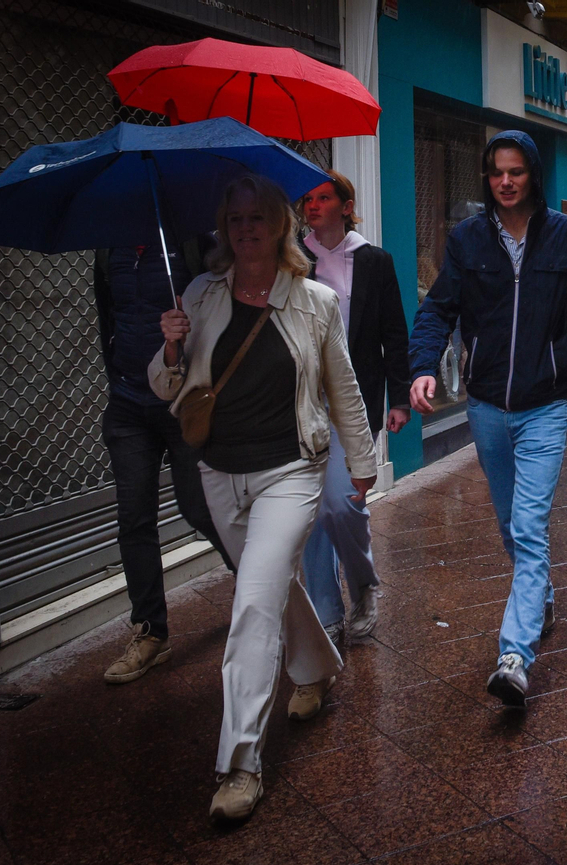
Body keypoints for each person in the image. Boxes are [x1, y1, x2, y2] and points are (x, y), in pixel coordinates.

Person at [151, 174, 376, 823]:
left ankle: (239, 763)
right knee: (272, 586)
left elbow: (343, 387)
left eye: (258, 217)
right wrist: (170, 344)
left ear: (281, 225)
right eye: (236, 218)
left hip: (291, 471)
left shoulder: (314, 301)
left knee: (252, 600)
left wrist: (362, 465)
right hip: (219, 474)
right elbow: (169, 386)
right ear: (225, 228)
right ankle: (313, 668)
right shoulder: (200, 295)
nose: (246, 228)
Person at [408, 131, 567, 707]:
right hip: (488, 405)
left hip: (545, 405)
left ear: (533, 176)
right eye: (496, 173)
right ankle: (539, 593)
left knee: (528, 525)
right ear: (487, 178)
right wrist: (423, 366)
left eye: (516, 172)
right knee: (508, 524)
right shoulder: (468, 239)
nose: (506, 182)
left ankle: (514, 657)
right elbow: (438, 308)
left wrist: (556, 360)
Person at [95, 240, 236, 685]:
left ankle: (260, 582)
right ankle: (151, 633)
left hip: (182, 402)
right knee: (134, 518)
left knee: (199, 507)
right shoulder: (108, 251)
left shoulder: (185, 243)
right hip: (128, 401)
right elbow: (109, 315)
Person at [297, 171, 411, 647]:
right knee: (310, 511)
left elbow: (393, 333)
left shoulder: (373, 261)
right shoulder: (292, 262)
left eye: (324, 197)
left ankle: (363, 583)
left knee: (343, 504)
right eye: (307, 198)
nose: (313, 205)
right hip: (302, 403)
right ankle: (326, 611)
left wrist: (400, 397)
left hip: (356, 398)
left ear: (346, 206)